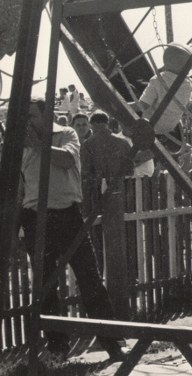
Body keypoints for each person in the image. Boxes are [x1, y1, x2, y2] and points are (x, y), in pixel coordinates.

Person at [19, 98, 127, 362]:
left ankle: (112, 343)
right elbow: (19, 186)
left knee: (89, 279)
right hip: (35, 217)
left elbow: (67, 160)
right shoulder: (21, 145)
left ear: (46, 115)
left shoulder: (66, 133)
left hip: (67, 215)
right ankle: (57, 348)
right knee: (44, 284)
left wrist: (38, 144)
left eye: (31, 116)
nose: (27, 122)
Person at [130, 43, 192, 153]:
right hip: (170, 126)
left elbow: (143, 106)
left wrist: (124, 104)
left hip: (152, 124)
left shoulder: (158, 79)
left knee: (132, 93)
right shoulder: (188, 85)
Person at [81, 110, 134, 181]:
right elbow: (130, 168)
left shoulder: (87, 144)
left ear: (94, 124)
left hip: (98, 184)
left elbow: (85, 170)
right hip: (120, 183)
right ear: (107, 123)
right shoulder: (123, 142)